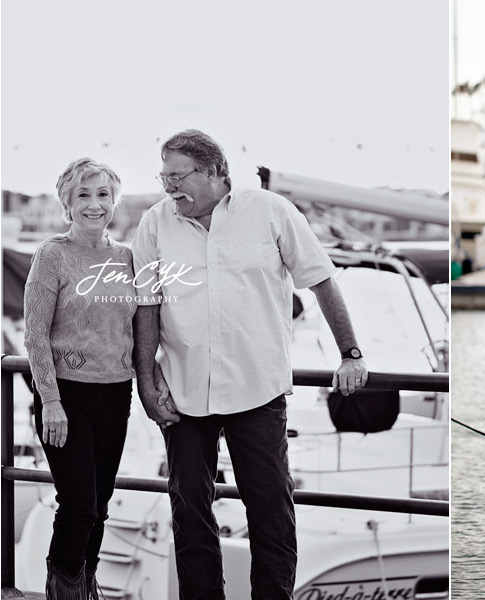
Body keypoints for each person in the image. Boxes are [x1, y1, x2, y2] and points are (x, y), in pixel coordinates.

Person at [131, 129, 369, 599]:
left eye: (177, 176)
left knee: (270, 513)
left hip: (257, 389)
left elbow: (321, 280)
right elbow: (146, 305)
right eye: (163, 177)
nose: (168, 187)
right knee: (189, 511)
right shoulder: (155, 224)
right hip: (183, 389)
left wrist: (351, 353)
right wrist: (145, 377)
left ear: (216, 171)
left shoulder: (270, 210)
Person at [24, 158, 135, 599]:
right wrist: (50, 400)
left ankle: (86, 586)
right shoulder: (52, 254)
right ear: (67, 204)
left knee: (101, 507)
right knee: (78, 507)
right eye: (83, 196)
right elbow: (35, 333)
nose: (94, 204)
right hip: (65, 397)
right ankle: (64, 590)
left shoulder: (126, 257)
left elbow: (138, 326)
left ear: (114, 201)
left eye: (103, 194)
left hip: (116, 394)